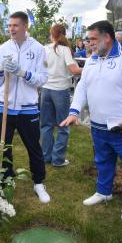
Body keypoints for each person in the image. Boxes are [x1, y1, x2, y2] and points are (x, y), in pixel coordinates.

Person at [61, 20, 122, 221]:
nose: (89, 43)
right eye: (88, 39)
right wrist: (74, 111)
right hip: (99, 126)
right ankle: (104, 192)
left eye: (93, 39)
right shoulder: (92, 60)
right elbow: (82, 87)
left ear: (107, 38)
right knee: (102, 161)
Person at [0, 11, 51, 203]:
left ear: (25, 26)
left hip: (28, 107)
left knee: (33, 146)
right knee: (2, 146)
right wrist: (1, 69)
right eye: (9, 26)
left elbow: (42, 79)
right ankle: (5, 181)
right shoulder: (2, 49)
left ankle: (39, 182)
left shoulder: (38, 48)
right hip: (5, 106)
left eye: (15, 25)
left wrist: (23, 73)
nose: (11, 29)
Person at [41, 24, 81, 167]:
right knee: (63, 126)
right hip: (60, 90)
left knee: (46, 125)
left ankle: (46, 156)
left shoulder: (45, 48)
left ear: (51, 34)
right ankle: (58, 159)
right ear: (64, 34)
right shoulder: (64, 50)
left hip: (45, 90)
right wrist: (90, 68)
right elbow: (74, 70)